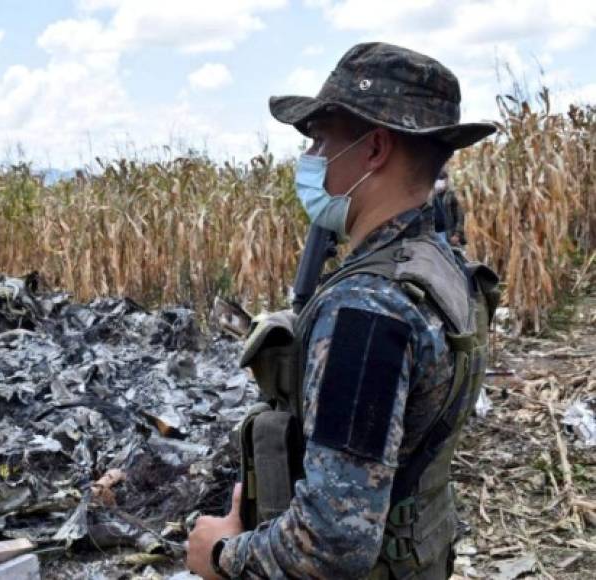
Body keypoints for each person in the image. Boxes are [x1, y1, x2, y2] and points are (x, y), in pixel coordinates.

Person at [186, 42, 497, 579]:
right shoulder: (440, 265)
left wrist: (220, 556)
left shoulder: (367, 309)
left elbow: (332, 541)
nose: (311, 158)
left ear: (375, 149)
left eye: (320, 140)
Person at [433, 168, 467, 246]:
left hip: (449, 235)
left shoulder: (452, 195)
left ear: (446, 180)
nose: (439, 182)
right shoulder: (432, 197)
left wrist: (457, 235)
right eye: (437, 179)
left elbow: (460, 217)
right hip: (436, 235)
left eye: (441, 179)